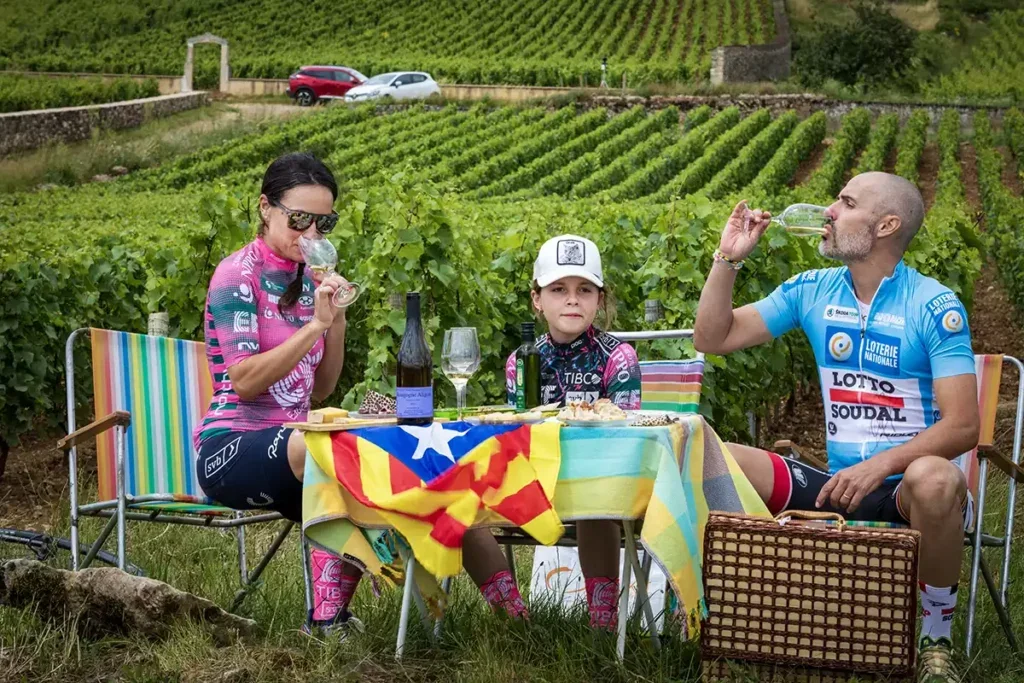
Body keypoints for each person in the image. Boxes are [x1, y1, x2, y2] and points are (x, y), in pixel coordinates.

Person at [693, 172, 978, 683]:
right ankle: (737, 612)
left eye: (845, 203)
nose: (828, 210)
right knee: (706, 450)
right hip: (836, 486)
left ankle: (935, 642)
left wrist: (882, 465)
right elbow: (714, 337)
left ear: (886, 225)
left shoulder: (936, 306)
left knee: (933, 478)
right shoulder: (812, 289)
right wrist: (728, 258)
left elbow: (964, 426)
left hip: (907, 493)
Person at [192, 152, 363, 639]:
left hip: (294, 445)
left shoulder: (307, 282)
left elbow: (322, 388)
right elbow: (244, 381)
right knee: (322, 448)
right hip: (230, 448)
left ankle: (329, 618)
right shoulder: (236, 275)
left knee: (365, 457)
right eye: (299, 220)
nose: (311, 235)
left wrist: (337, 316)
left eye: (323, 223)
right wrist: (313, 327)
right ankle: (328, 618)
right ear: (266, 208)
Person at [460, 234, 642, 630]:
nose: (572, 299)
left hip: (600, 481)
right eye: (558, 289)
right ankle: (513, 618)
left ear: (600, 299)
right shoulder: (521, 361)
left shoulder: (618, 358)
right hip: (531, 481)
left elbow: (626, 444)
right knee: (457, 499)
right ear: (537, 300)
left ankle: (603, 621)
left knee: (597, 504)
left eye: (585, 289)